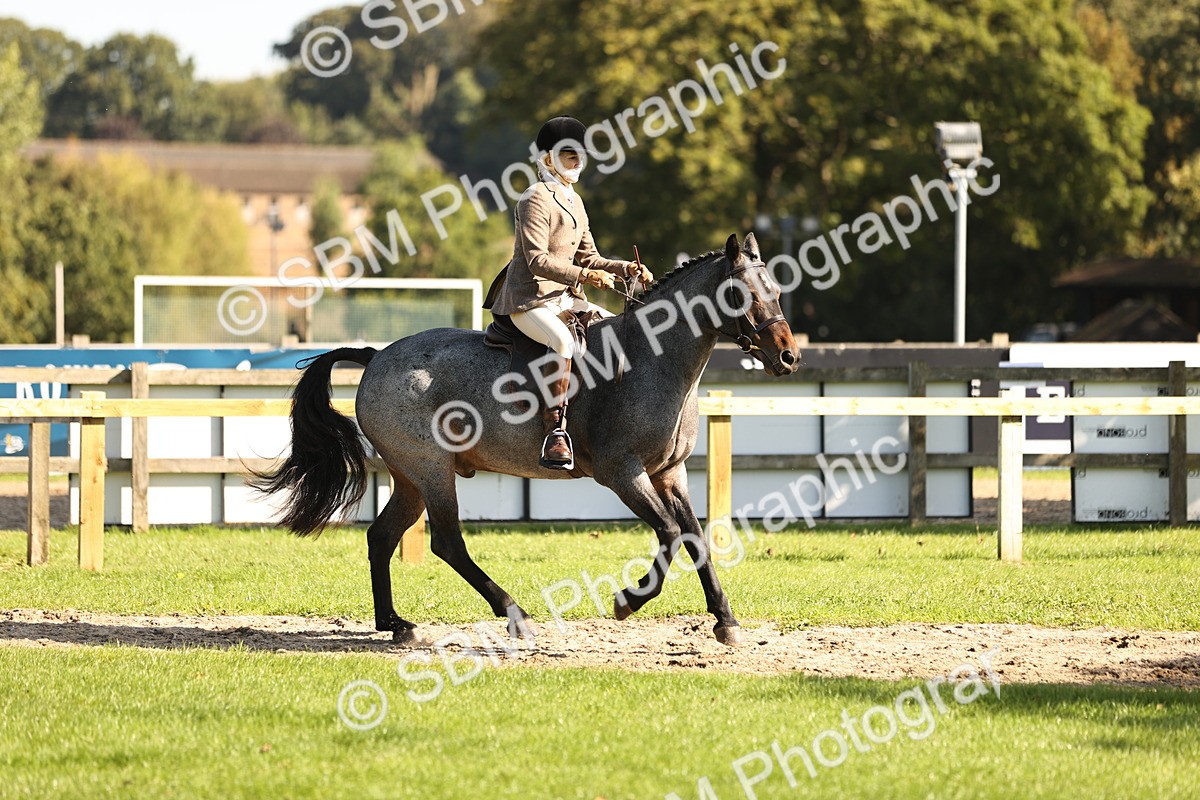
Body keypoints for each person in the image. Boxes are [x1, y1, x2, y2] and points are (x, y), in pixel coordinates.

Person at [487, 115, 653, 470]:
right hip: (528, 298)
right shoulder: (534, 198)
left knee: (616, 329)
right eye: (569, 155)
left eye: (580, 155)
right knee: (563, 342)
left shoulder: (574, 201)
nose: (578, 162)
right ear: (548, 158)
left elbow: (590, 256)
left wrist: (625, 268)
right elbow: (537, 261)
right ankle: (555, 432)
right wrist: (587, 276)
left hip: (563, 297)